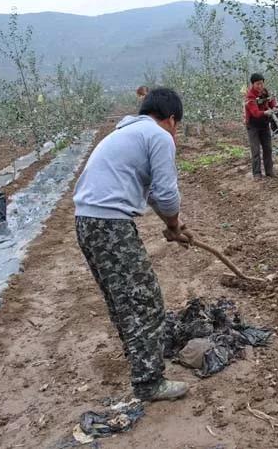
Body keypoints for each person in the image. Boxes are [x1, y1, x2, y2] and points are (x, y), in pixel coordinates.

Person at [73, 87, 192, 402]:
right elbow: (166, 194)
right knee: (145, 302)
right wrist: (172, 222)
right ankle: (149, 382)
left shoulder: (129, 132)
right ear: (170, 119)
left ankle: (141, 357)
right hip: (110, 225)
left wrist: (175, 227)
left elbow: (151, 193)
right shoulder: (158, 135)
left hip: (87, 222)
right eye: (176, 125)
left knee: (122, 301)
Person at [244, 73, 278, 179]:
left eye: (261, 83)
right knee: (256, 150)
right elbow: (255, 113)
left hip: (264, 124)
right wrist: (266, 112)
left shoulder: (265, 92)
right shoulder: (250, 96)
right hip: (253, 125)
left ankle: (269, 171)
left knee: (268, 148)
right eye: (257, 84)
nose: (260, 86)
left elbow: (272, 102)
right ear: (253, 84)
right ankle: (257, 173)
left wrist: (275, 106)